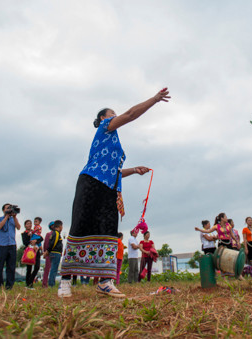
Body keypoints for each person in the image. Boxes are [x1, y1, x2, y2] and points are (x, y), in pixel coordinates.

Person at [59, 88, 170, 298]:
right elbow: (130, 115)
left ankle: (105, 281)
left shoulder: (115, 144)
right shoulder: (105, 128)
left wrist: (134, 170)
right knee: (80, 225)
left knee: (109, 230)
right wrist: (154, 99)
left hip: (109, 188)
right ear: (103, 118)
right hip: (91, 181)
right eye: (112, 113)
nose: (115, 116)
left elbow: (115, 172)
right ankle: (65, 280)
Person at [0, 203, 21, 290]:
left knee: (11, 266)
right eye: (7, 208)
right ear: (3, 210)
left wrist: (14, 217)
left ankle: (9, 285)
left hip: (12, 245)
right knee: (0, 266)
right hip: (2, 245)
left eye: (10, 208)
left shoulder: (13, 219)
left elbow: (19, 227)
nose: (9, 209)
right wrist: (6, 216)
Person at [21, 220, 43, 289]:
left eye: (30, 223)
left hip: (36, 250)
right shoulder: (24, 233)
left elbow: (41, 238)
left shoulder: (35, 232)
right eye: (27, 224)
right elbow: (25, 242)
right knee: (29, 268)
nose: (29, 225)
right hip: (29, 251)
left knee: (37, 267)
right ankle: (28, 284)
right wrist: (31, 242)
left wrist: (36, 240)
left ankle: (31, 280)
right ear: (25, 225)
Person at [44, 220, 63, 289]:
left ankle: (51, 283)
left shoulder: (52, 234)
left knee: (53, 269)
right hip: (56, 253)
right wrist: (48, 251)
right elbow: (54, 243)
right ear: (60, 226)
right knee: (54, 269)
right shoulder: (57, 233)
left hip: (53, 253)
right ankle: (51, 284)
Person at [42, 222, 55, 287]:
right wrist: (45, 252)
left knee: (53, 269)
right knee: (47, 269)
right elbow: (46, 244)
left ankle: (52, 282)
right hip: (49, 253)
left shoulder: (58, 234)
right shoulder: (48, 234)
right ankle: (44, 283)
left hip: (55, 253)